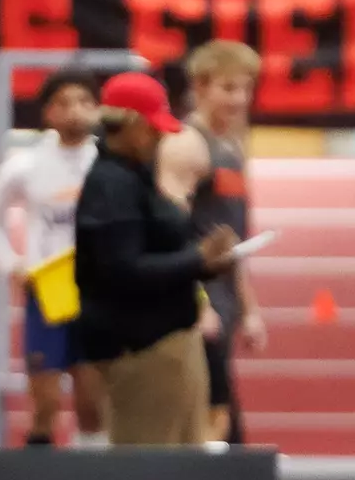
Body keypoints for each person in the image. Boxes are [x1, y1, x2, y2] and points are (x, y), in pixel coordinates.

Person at [75, 71, 239, 446]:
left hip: (167, 340)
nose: (161, 137)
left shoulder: (134, 175)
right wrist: (197, 259)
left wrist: (202, 261)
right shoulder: (111, 185)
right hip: (143, 347)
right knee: (150, 464)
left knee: (182, 457)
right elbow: (123, 270)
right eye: (153, 128)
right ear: (131, 124)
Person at [0, 67, 105, 447]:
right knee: (45, 404)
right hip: (47, 292)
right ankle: (39, 471)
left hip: (96, 292)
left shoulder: (109, 164)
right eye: (64, 103)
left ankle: (94, 473)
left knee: (93, 403)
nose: (75, 111)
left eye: (84, 102)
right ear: (48, 112)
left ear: (98, 109)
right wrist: (12, 263)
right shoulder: (26, 165)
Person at [156, 41, 268, 444]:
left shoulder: (232, 145)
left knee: (217, 414)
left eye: (246, 88)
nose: (240, 99)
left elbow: (233, 241)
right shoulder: (186, 145)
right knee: (208, 418)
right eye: (228, 88)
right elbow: (167, 231)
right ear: (200, 87)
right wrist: (197, 304)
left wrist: (249, 308)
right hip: (194, 301)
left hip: (223, 299)